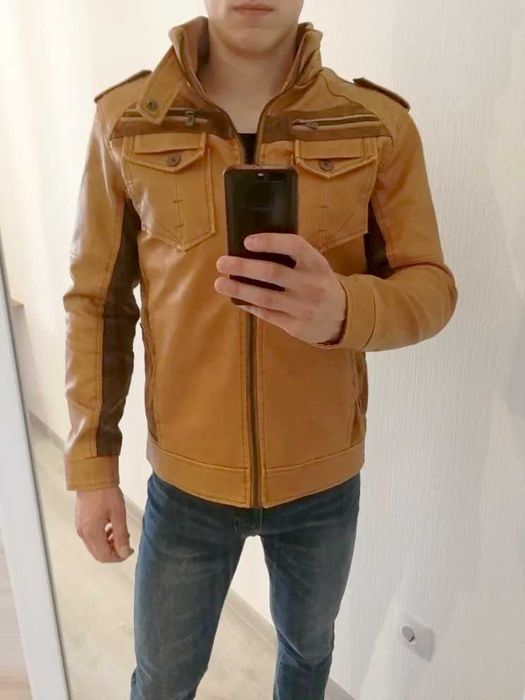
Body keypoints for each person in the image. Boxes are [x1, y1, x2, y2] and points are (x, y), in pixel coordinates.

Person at [62, 2, 458, 698]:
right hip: (186, 484)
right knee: (162, 678)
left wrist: (346, 308)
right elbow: (98, 304)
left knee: (307, 657)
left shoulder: (375, 126)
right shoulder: (126, 122)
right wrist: (93, 468)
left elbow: (431, 287)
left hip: (322, 480)